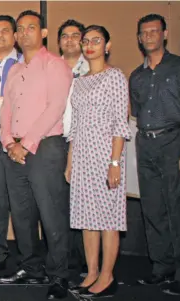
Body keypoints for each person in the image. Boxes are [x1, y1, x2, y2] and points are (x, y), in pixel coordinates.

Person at [0, 11, 73, 299]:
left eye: (31, 27)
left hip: (45, 147)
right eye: (20, 29)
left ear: (43, 33)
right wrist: (7, 142)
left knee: (51, 213)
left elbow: (55, 107)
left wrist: (25, 143)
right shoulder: (14, 71)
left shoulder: (55, 65)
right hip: (14, 150)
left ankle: (59, 275)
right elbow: (5, 110)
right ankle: (31, 267)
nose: (25, 32)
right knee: (22, 214)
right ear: (16, 36)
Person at [130, 13, 180, 296]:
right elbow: (136, 112)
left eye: (154, 31)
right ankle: (162, 269)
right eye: (144, 33)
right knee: (153, 210)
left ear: (165, 34)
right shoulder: (136, 76)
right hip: (145, 144)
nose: (149, 36)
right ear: (139, 38)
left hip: (174, 143)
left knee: (178, 211)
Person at [65, 25, 130, 299]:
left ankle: (107, 276)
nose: (90, 45)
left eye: (96, 40)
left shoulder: (115, 77)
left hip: (106, 155)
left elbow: (120, 122)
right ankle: (91, 273)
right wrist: (70, 161)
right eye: (86, 41)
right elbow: (75, 125)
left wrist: (115, 162)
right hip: (81, 156)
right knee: (86, 219)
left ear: (108, 45)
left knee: (108, 219)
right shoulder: (79, 81)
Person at [0, 15, 23, 275]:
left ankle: (28, 257)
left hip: (19, 140)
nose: (0, 36)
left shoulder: (25, 64)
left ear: (15, 36)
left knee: (23, 202)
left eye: (5, 31)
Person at [57, 18, 89, 275]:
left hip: (85, 143)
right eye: (65, 36)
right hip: (54, 142)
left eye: (75, 35)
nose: (69, 40)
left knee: (83, 203)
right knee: (57, 204)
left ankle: (84, 261)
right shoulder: (51, 68)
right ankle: (60, 259)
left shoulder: (93, 69)